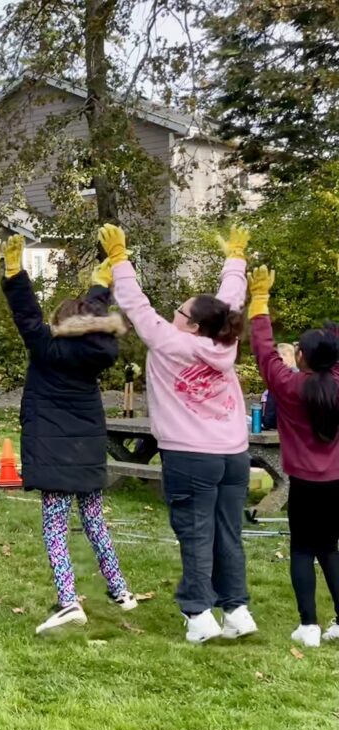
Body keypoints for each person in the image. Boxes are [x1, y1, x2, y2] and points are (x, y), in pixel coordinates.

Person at [108, 223, 256, 644]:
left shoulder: (170, 342)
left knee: (195, 533)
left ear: (192, 326)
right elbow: (230, 299)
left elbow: (136, 305)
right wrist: (236, 259)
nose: (173, 314)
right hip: (233, 455)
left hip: (190, 457)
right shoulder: (224, 341)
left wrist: (120, 259)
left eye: (181, 312)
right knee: (227, 531)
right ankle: (237, 610)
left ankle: (198, 615)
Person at [1, 238, 136, 634]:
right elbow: (93, 320)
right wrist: (100, 288)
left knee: (56, 529)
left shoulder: (47, 348)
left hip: (53, 454)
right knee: (95, 521)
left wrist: (15, 274)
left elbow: (27, 317)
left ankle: (67, 601)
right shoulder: (96, 354)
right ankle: (121, 591)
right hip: (87, 448)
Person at [248, 266, 339, 647]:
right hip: (336, 483)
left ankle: (309, 626)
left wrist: (260, 302)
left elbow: (265, 351)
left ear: (301, 357)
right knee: (330, 549)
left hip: (303, 485)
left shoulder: (288, 386)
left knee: (302, 549)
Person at [261, 343, 296, 430]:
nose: (281, 358)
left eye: (284, 354)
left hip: (284, 423)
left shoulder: (286, 378)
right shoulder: (300, 375)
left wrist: (267, 421)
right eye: (279, 355)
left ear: (292, 357)